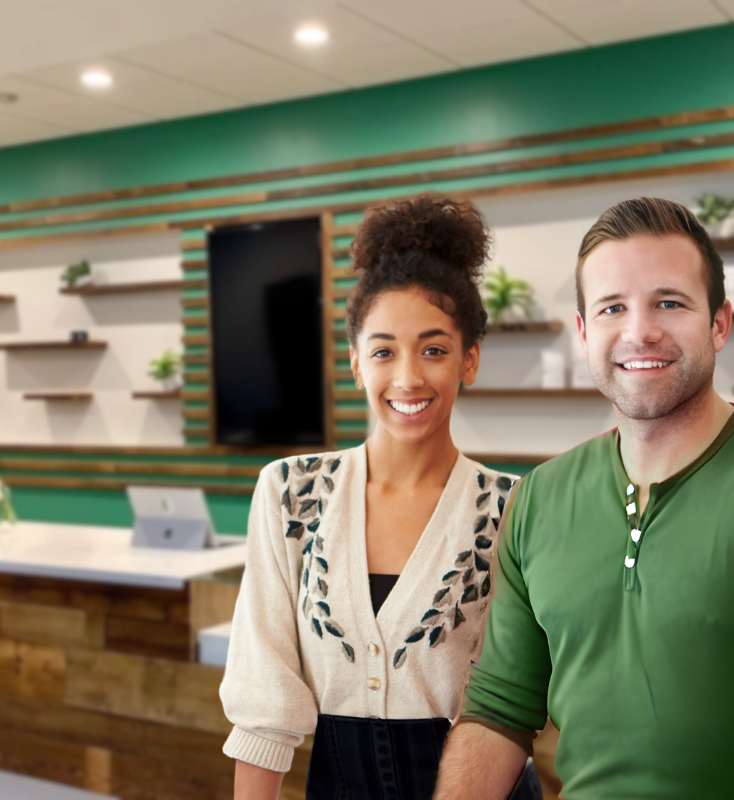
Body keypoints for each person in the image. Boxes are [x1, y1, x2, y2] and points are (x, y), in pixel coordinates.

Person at [433, 197, 734, 799]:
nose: (639, 330)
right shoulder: (540, 498)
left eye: (669, 302)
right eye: (613, 307)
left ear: (719, 322)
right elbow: (496, 710)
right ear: (585, 331)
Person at [220, 194, 542, 800]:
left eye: (435, 349)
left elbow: (519, 699)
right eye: (384, 350)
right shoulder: (290, 494)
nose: (409, 377)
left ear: (469, 360)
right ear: (355, 363)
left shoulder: (513, 507)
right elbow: (264, 698)